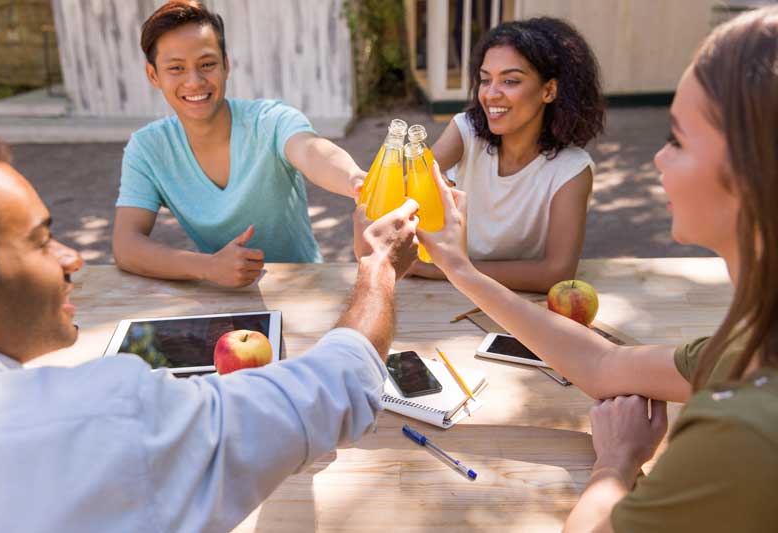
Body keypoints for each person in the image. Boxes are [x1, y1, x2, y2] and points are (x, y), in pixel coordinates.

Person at [417, 6, 778, 531]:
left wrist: (615, 463)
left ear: (753, 169)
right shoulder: (747, 346)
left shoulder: (740, 431)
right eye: (485, 80)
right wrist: (461, 270)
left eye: (677, 138)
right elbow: (605, 366)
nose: (656, 157)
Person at [0, 124, 421, 532]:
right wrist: (379, 266)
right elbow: (330, 391)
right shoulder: (99, 419)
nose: (71, 258)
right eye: (40, 241)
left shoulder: (264, 120)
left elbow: (307, 146)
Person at [113, 1, 366, 288]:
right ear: (153, 75)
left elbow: (310, 150)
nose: (194, 81)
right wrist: (207, 267)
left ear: (226, 65)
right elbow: (126, 246)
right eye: (176, 68)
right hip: (221, 293)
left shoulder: (269, 120)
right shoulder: (146, 148)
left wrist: (354, 179)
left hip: (304, 287)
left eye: (207, 64)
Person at [410, 17, 605, 292]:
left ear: (549, 90)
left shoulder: (572, 170)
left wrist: (441, 268)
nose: (491, 94)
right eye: (485, 80)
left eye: (510, 81)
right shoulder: (465, 132)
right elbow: (406, 187)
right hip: (451, 292)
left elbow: (556, 273)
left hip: (521, 304)